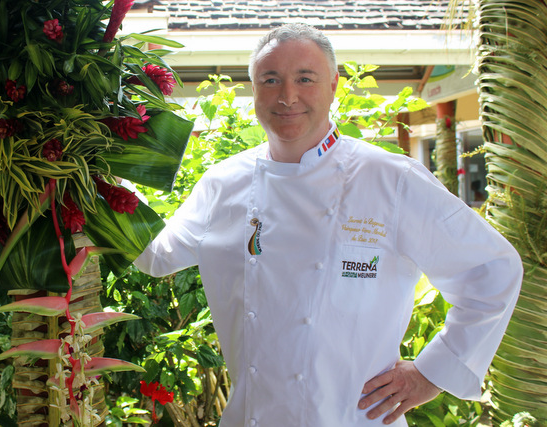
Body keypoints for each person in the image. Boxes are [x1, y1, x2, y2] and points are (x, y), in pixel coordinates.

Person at [134, 23, 522, 426]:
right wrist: (90, 180)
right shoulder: (222, 183)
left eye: (305, 78)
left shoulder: (390, 179)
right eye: (271, 80)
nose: (287, 96)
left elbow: (492, 270)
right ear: (253, 89)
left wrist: (432, 373)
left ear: (333, 85)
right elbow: (156, 255)